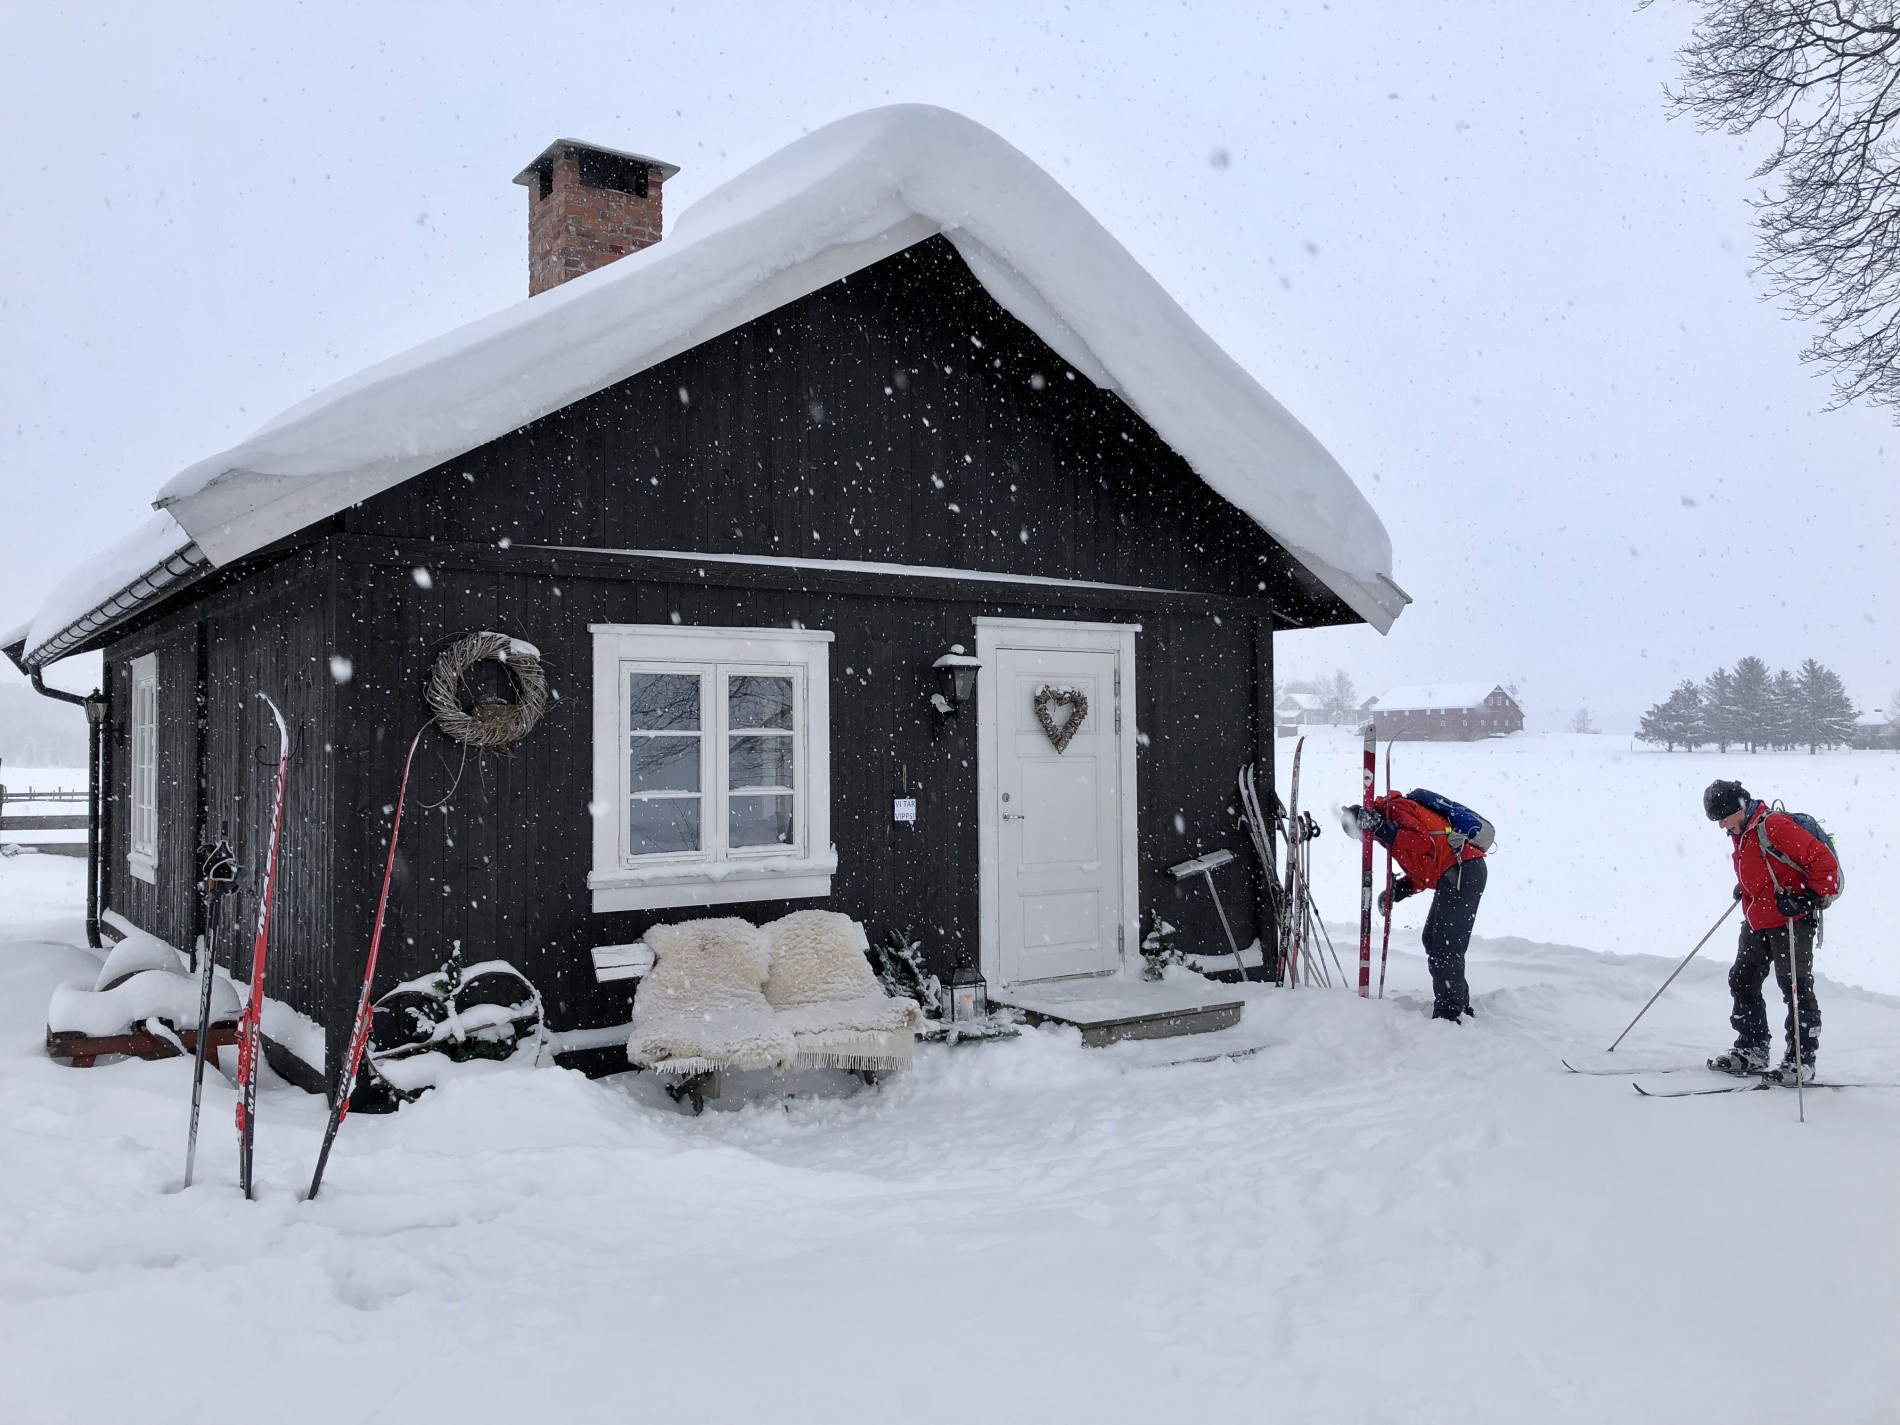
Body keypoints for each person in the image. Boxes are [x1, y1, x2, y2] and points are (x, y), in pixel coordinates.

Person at [1702, 779, 1839, 1085]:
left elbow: (1824, 864)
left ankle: (1800, 1062)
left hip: (1792, 922)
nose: (1721, 825)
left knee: (1795, 988)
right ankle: (1752, 1048)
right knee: (1742, 979)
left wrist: (1809, 897)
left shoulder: (1774, 825)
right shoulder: (1740, 831)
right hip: (1758, 919)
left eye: (1723, 817)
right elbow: (1767, 866)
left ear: (1738, 807)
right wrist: (1749, 887)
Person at [1340, 793, 1487, 1021]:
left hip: (1463, 869)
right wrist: (1398, 891)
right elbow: (1424, 871)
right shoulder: (1388, 833)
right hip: (1453, 874)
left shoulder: (1397, 809)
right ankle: (1458, 1003)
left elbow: (1421, 842)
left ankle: (1449, 1013)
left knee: (1445, 946)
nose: (1365, 840)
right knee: (1433, 940)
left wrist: (1380, 827)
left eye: (1362, 834)